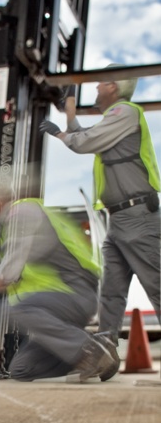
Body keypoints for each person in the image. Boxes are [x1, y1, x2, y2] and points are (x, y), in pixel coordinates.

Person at [0, 166, 117, 383]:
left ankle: (91, 353)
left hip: (75, 294)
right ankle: (97, 348)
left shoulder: (22, 214)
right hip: (60, 299)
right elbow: (3, 278)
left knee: (9, 308)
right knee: (21, 369)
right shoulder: (12, 224)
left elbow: (6, 277)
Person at [40, 66, 160, 349]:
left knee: (157, 285)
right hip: (119, 220)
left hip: (137, 217)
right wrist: (69, 111)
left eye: (99, 84)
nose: (95, 89)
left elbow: (84, 142)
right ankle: (105, 349)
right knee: (112, 292)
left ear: (113, 87)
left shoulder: (125, 112)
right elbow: (84, 134)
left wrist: (59, 134)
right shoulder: (113, 120)